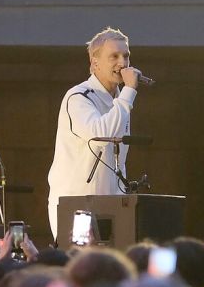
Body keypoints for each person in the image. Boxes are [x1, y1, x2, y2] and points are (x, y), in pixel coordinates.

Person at [47, 27, 145, 240]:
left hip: (111, 206)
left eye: (126, 56)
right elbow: (100, 136)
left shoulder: (120, 101)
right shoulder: (78, 97)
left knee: (110, 259)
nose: (122, 63)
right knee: (80, 259)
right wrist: (129, 92)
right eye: (114, 56)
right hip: (77, 206)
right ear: (95, 62)